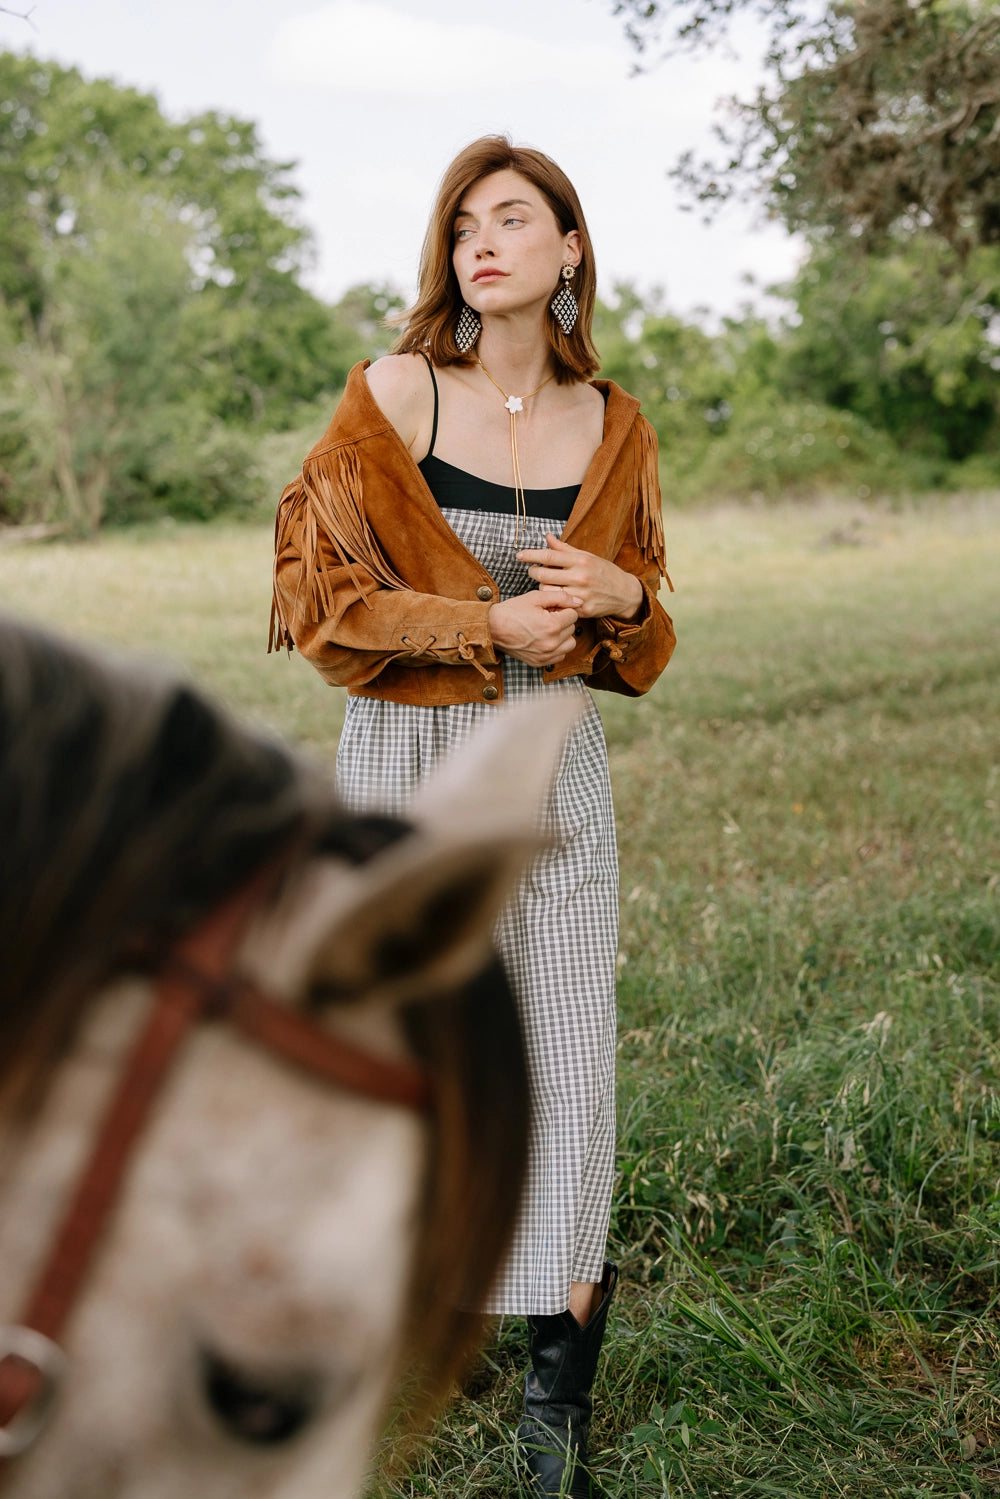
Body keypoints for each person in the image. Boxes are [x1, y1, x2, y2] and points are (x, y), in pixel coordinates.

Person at [269, 135, 675, 1497]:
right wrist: (482, 624)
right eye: (462, 227)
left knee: (566, 1062)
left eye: (513, 220)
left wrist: (624, 601)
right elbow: (320, 608)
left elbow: (641, 636)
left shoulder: (614, 424)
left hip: (553, 774)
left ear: (570, 250)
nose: (482, 245)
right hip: (407, 768)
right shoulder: (394, 395)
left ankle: (555, 1400)